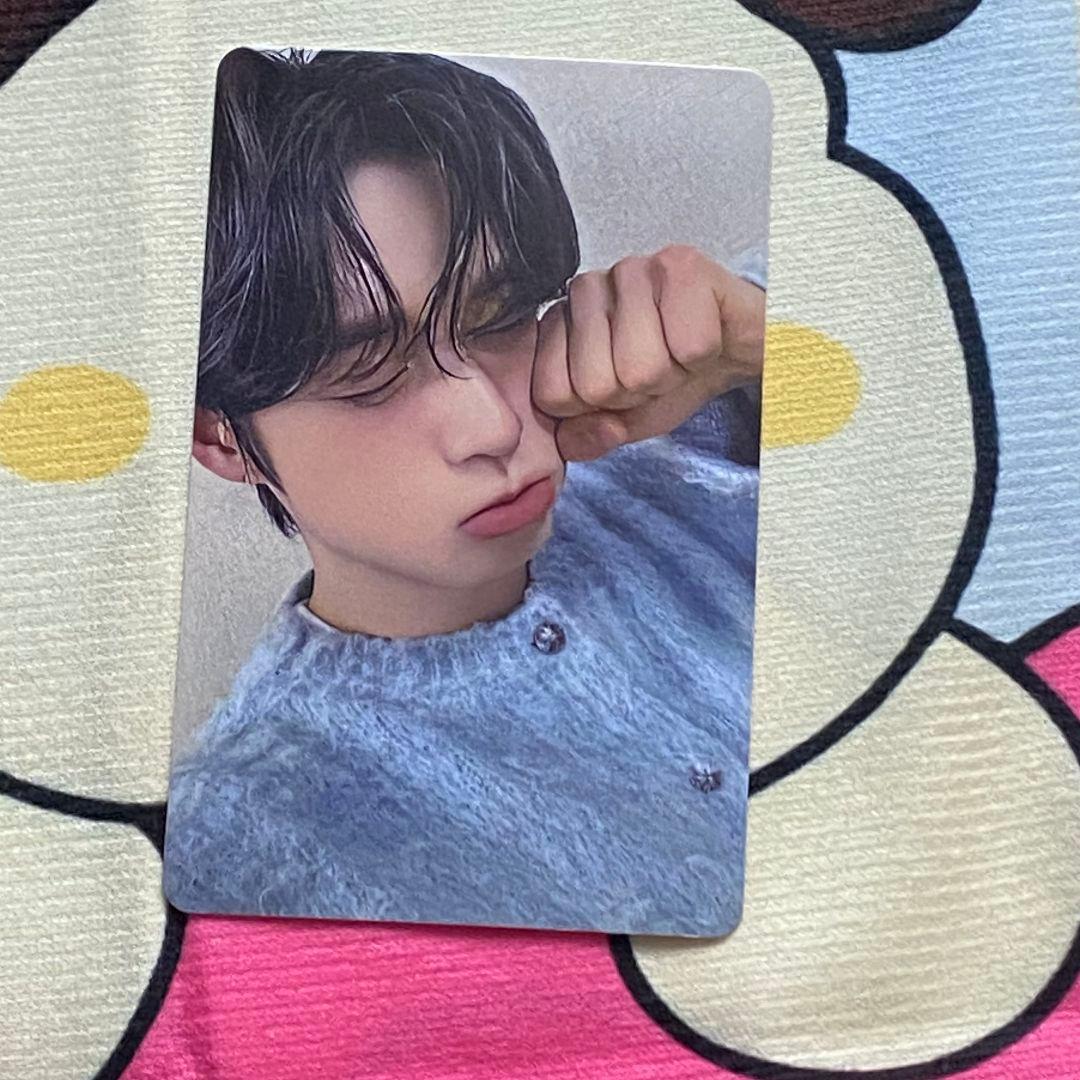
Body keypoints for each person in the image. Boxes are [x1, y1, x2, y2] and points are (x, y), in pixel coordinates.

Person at [163, 46, 767, 936]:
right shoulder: (250, 836)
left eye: (500, 319)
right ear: (220, 434)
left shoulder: (684, 427)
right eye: (368, 370)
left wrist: (760, 347)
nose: (492, 424)